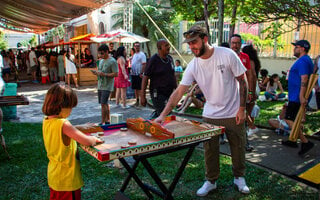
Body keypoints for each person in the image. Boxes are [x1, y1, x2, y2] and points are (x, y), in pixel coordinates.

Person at [154, 25, 250, 196]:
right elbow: (178, 92)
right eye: (189, 44)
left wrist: (242, 109)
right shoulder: (193, 65)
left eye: (194, 42)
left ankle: (239, 177)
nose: (192, 47)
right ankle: (211, 181)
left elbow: (243, 81)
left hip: (233, 111)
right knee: (210, 150)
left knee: (238, 147)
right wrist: (163, 115)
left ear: (205, 39)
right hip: (210, 114)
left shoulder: (227, 54)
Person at [42, 83, 103, 200]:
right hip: (67, 180)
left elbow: (62, 132)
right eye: (70, 107)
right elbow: (86, 141)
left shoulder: (47, 121)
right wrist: (94, 139)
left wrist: (80, 127)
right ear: (60, 106)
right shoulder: (64, 124)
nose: (70, 111)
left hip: (55, 176)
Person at [282, 40, 314, 155]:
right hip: (295, 94)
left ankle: (305, 142)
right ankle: (293, 139)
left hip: (297, 96)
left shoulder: (303, 61)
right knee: (295, 119)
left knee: (289, 119)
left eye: (296, 47)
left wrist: (301, 95)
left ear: (302, 48)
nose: (294, 49)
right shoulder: (304, 60)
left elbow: (304, 78)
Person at [141, 39, 177, 118]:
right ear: (159, 48)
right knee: (164, 113)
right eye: (166, 45)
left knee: (164, 113)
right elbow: (145, 77)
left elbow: (172, 74)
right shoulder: (153, 60)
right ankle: (153, 121)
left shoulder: (170, 59)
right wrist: (142, 96)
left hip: (169, 93)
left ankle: (151, 120)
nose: (169, 47)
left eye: (168, 45)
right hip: (158, 93)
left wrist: (176, 89)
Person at [93, 44, 118, 125]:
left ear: (107, 52)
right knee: (104, 103)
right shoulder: (101, 60)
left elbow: (116, 74)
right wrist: (97, 73)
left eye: (102, 53)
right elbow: (100, 70)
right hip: (100, 84)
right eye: (100, 53)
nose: (101, 55)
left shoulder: (112, 61)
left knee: (103, 103)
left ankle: (103, 121)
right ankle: (107, 120)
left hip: (107, 85)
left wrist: (105, 75)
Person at [242, 45, 261, 135]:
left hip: (251, 87)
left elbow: (252, 75)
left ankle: (251, 126)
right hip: (254, 86)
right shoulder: (255, 61)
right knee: (248, 110)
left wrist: (251, 91)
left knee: (241, 109)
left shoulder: (249, 61)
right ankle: (248, 128)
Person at [131, 42, 147, 107]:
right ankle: (137, 100)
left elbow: (144, 64)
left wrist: (142, 73)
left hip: (139, 74)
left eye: (138, 46)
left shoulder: (142, 54)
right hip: (134, 74)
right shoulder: (134, 55)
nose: (137, 47)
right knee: (135, 88)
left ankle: (141, 101)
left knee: (140, 88)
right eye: (135, 46)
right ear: (134, 47)